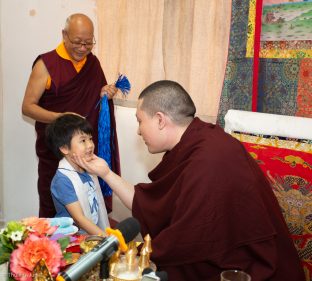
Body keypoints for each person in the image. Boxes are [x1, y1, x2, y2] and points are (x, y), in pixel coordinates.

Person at [73, 80, 305, 281]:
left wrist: (134, 254)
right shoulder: (198, 141)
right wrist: (105, 173)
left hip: (249, 270)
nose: (138, 131)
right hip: (221, 255)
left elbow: (186, 239)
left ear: (160, 120)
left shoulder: (208, 160)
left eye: (140, 121)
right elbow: (154, 206)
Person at [22, 13, 120, 218]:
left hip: (85, 151)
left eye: (88, 43)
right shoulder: (46, 64)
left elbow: (94, 98)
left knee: (88, 204)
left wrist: (104, 94)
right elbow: (28, 107)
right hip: (57, 151)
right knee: (54, 207)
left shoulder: (92, 63)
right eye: (77, 42)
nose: (83, 48)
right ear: (64, 35)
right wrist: (60, 117)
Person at [46, 114, 109, 235]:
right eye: (83, 141)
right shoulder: (62, 180)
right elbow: (80, 219)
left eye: (90, 139)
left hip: (93, 233)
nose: (90, 145)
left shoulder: (89, 169)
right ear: (64, 148)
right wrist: (107, 239)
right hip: (72, 239)